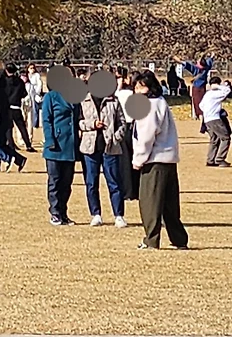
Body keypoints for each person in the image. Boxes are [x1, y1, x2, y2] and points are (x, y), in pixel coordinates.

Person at [132, 69, 188, 250]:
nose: (137, 91)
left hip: (154, 160)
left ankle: (151, 240)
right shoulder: (161, 102)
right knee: (170, 204)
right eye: (136, 87)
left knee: (150, 202)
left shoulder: (148, 106)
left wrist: (138, 160)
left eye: (141, 87)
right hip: (168, 159)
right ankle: (179, 239)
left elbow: (146, 136)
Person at [79, 78, 128, 227]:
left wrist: (116, 137)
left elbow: (122, 122)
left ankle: (118, 215)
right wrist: (92, 124)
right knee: (91, 182)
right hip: (90, 147)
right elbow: (79, 122)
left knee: (114, 182)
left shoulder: (113, 100)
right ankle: (96, 214)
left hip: (110, 147)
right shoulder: (84, 100)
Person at [41, 73, 78, 226]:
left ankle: (63, 212)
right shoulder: (51, 97)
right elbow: (46, 120)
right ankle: (55, 212)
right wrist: (50, 139)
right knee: (54, 180)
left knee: (67, 183)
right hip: (55, 145)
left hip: (70, 145)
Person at [198, 72, 230, 167]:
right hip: (215, 118)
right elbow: (227, 90)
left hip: (207, 119)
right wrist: (219, 86)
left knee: (214, 139)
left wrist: (208, 111)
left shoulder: (208, 94)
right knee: (225, 137)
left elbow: (201, 105)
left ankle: (211, 160)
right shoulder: (216, 94)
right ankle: (220, 159)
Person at [5, 63, 33, 152]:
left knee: (8, 128)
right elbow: (24, 94)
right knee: (22, 127)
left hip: (7, 107)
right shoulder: (20, 81)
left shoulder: (4, 81)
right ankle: (28, 145)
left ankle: (11, 144)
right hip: (16, 106)